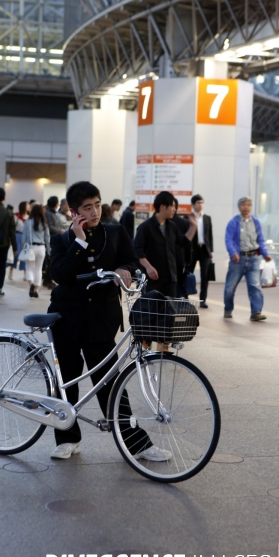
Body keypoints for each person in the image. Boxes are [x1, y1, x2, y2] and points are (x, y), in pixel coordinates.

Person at [47, 180, 170, 462]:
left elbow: (132, 262)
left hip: (101, 320)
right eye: (87, 208)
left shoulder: (115, 233)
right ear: (73, 211)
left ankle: (137, 444)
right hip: (65, 319)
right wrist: (78, 241)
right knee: (65, 381)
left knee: (109, 383)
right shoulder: (61, 240)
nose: (94, 212)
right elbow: (61, 275)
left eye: (97, 205)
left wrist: (123, 269)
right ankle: (68, 438)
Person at [134, 191, 196, 298]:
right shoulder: (145, 227)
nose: (174, 209)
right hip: (152, 279)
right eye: (172, 206)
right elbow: (137, 250)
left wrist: (193, 226)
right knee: (152, 311)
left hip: (171, 279)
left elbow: (183, 242)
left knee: (169, 312)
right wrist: (149, 267)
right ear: (162, 207)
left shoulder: (172, 227)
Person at [224, 196, 272, 321]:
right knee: (230, 287)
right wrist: (233, 253)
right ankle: (228, 309)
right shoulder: (233, 222)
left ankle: (256, 312)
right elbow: (228, 240)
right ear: (239, 207)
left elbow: (260, 239)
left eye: (248, 205)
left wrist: (265, 253)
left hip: (253, 258)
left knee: (255, 286)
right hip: (238, 260)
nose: (246, 207)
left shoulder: (255, 221)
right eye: (243, 205)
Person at [190, 194, 214, 308]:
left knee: (205, 276)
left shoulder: (207, 218)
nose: (200, 205)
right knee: (188, 273)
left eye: (202, 202)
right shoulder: (188, 218)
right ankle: (185, 297)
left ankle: (203, 300)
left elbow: (210, 235)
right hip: (192, 250)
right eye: (198, 203)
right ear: (193, 204)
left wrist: (211, 250)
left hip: (205, 250)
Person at [21, 204, 50, 298]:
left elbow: (24, 237)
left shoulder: (28, 222)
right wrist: (49, 250)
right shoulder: (44, 222)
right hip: (41, 248)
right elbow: (47, 238)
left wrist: (23, 248)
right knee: (39, 268)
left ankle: (31, 284)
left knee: (29, 268)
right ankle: (36, 290)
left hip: (31, 247)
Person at [172, 198, 191, 298]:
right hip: (179, 259)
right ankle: (177, 302)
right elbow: (187, 243)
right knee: (178, 282)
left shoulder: (159, 222)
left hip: (169, 260)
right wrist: (188, 260)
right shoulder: (184, 222)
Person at [8, 201, 28, 280]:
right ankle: (11, 271)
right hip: (17, 236)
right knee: (15, 255)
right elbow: (12, 228)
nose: (29, 207)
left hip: (25, 237)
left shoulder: (29, 217)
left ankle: (26, 274)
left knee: (25, 255)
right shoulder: (16, 216)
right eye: (27, 205)